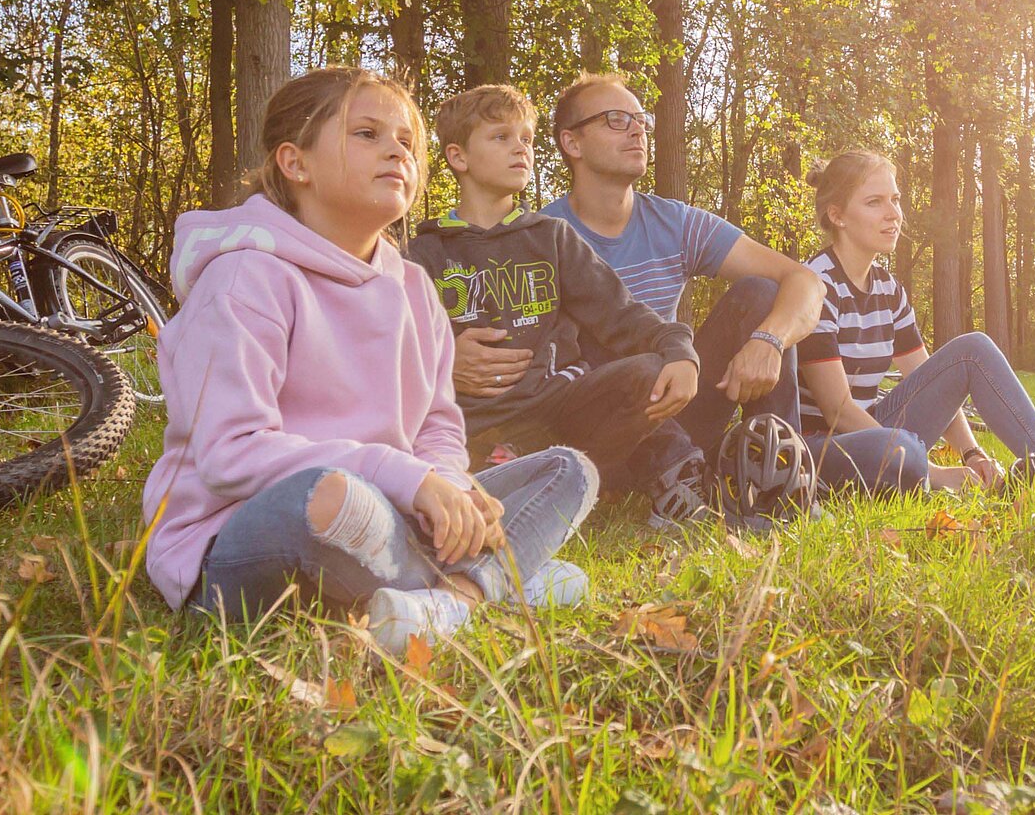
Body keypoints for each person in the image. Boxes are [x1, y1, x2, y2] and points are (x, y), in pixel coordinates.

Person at [143, 67, 599, 655]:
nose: (396, 150)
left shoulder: (412, 287)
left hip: (393, 513)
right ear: (295, 162)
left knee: (568, 471)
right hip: (246, 535)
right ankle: (499, 581)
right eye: (366, 133)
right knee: (326, 495)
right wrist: (408, 479)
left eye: (407, 141)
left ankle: (450, 600)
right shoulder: (243, 279)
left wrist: (454, 489)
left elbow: (436, 425)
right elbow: (231, 455)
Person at [451, 73, 829, 526]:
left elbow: (805, 281)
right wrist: (444, 356)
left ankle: (776, 484)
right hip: (596, 427)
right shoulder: (537, 238)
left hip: (677, 400)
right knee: (590, 328)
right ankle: (666, 478)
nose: (637, 130)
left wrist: (769, 339)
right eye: (615, 120)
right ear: (572, 143)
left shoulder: (675, 222)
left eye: (641, 120)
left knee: (762, 295)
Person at [406, 84, 703, 472]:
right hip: (469, 422)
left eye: (526, 139)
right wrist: (442, 358)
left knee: (646, 373)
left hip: (556, 410)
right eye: (501, 137)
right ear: (458, 156)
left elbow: (621, 313)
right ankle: (504, 470)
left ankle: (579, 472)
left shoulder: (552, 236)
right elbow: (398, 351)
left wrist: (679, 349)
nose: (521, 149)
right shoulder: (424, 254)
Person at [793, 150, 1035, 492]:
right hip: (823, 449)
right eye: (874, 202)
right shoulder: (818, 285)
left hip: (877, 433)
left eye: (896, 200)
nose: (893, 215)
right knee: (907, 453)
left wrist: (971, 453)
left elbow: (931, 379)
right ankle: (919, 471)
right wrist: (932, 469)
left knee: (972, 350)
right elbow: (838, 412)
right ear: (837, 216)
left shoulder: (889, 290)